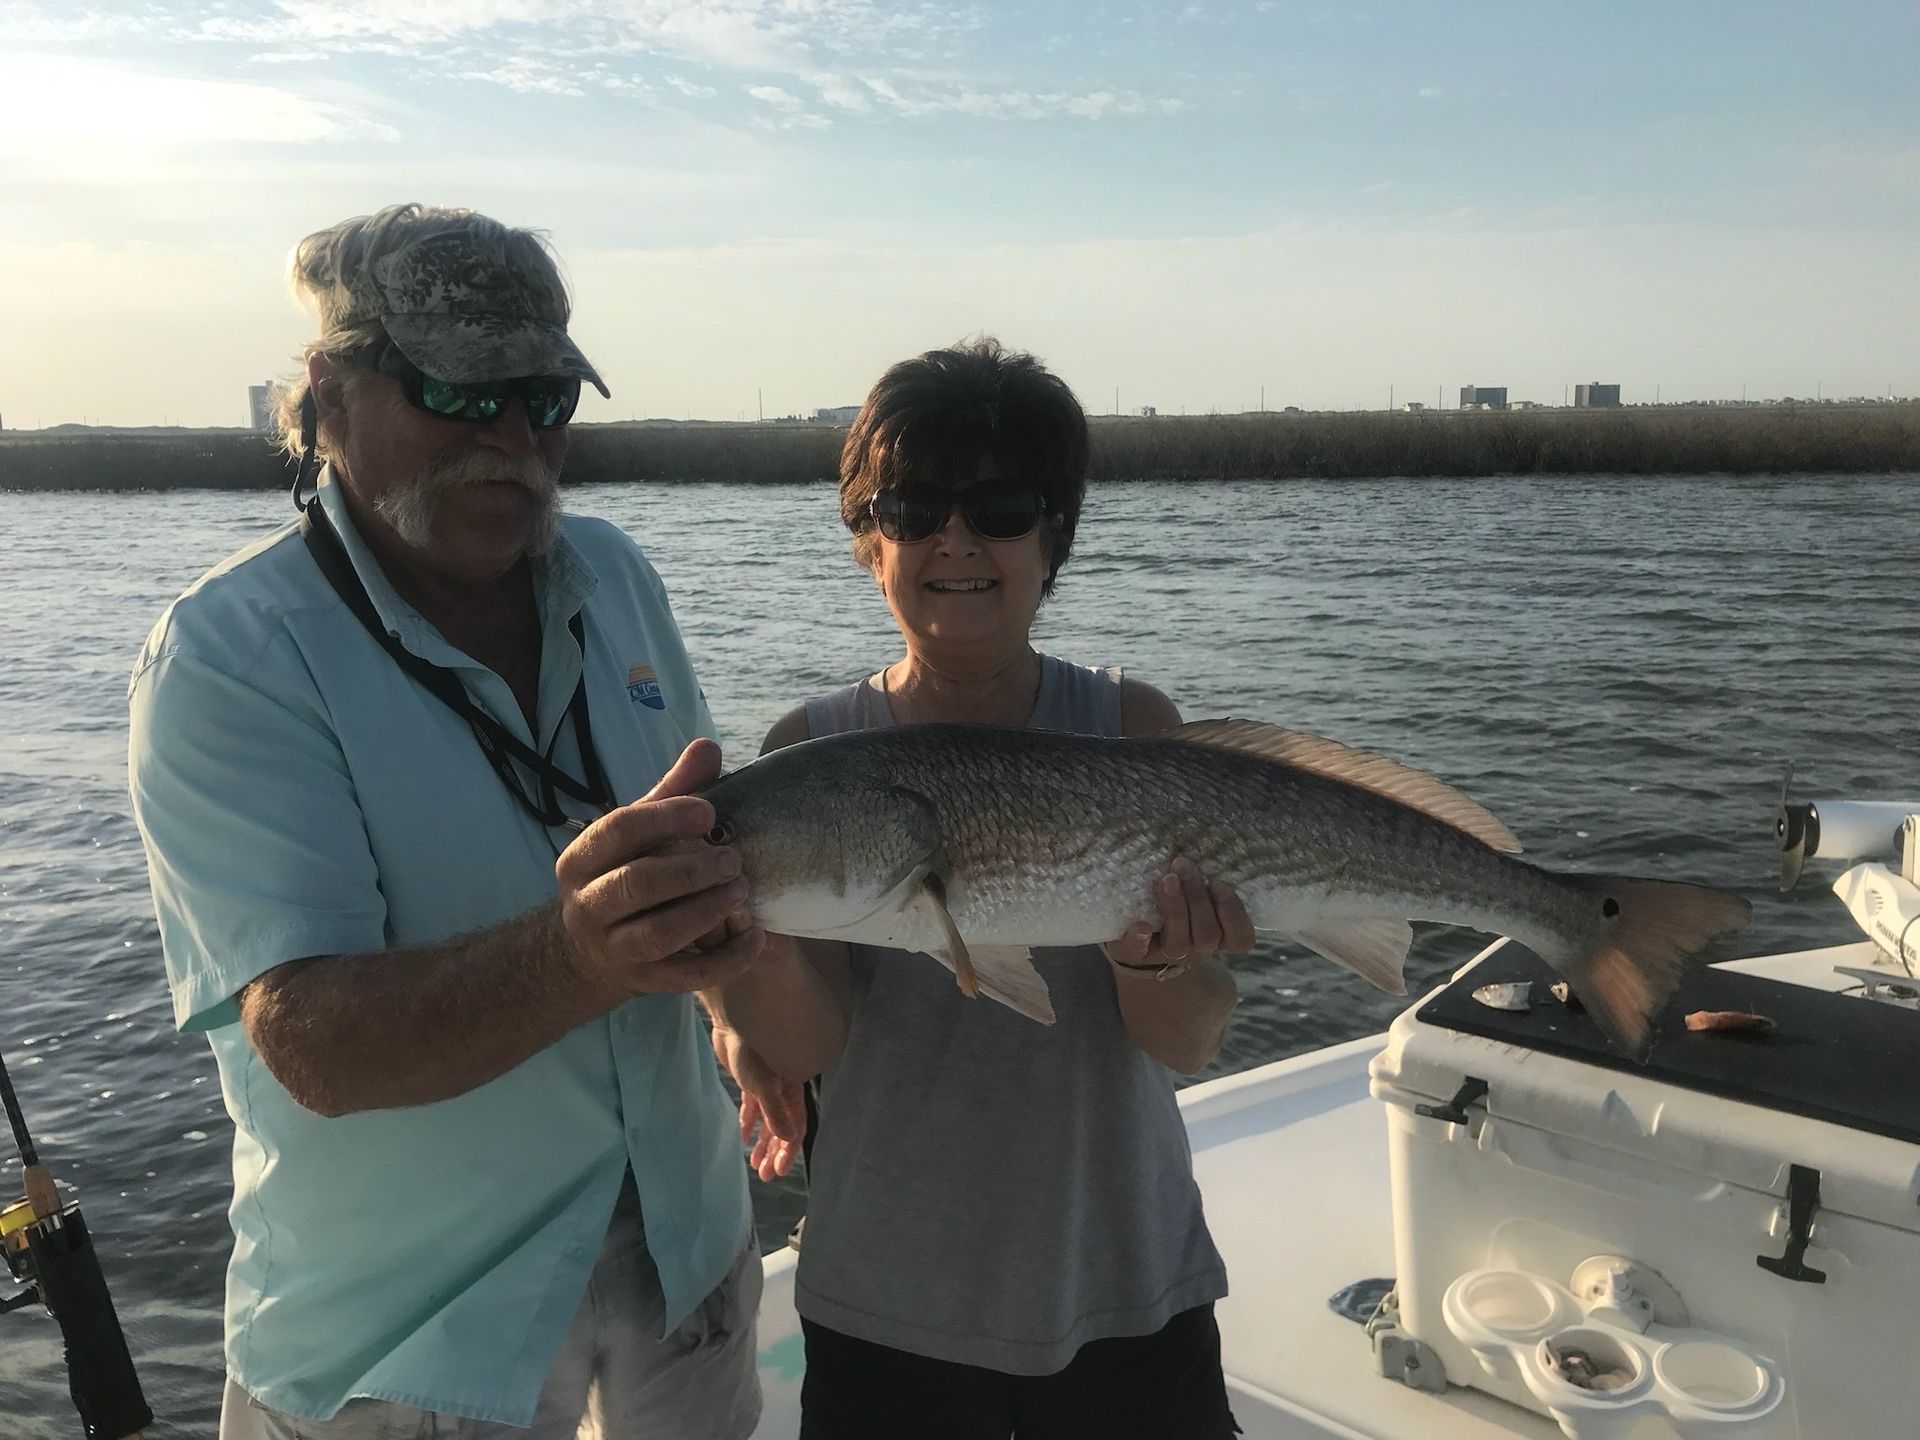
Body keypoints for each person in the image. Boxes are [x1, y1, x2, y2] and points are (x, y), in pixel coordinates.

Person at [127, 204, 769, 1439]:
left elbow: (715, 872)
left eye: (545, 397)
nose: (515, 439)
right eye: (461, 396)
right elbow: (315, 1045)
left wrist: (757, 1016)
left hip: (690, 1268)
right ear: (327, 397)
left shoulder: (619, 576)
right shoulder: (227, 656)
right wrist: (584, 953)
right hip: (412, 1344)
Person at [705, 338, 1251, 1439]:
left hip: (1123, 1277)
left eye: (1000, 505)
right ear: (868, 544)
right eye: (909, 509)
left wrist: (1164, 959)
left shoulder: (1134, 727)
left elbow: (1187, 1043)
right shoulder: (808, 752)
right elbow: (804, 1046)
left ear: (1056, 537)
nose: (954, 539)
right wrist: (735, 957)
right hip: (888, 1297)